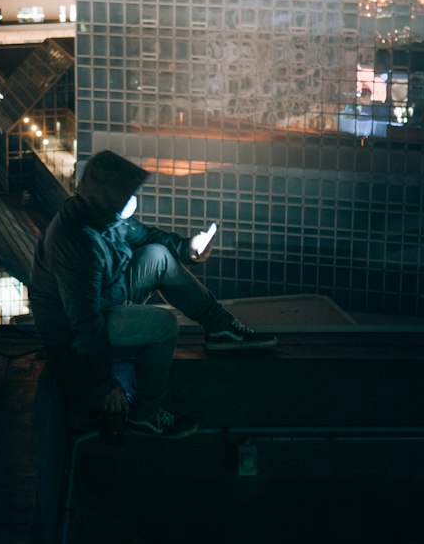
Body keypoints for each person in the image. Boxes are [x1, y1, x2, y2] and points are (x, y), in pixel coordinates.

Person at [30, 150, 276, 438]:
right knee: (162, 325)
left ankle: (221, 327)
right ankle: (145, 414)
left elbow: (146, 238)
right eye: (125, 194)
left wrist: (188, 248)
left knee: (157, 255)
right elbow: (83, 319)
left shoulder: (103, 214)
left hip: (105, 298)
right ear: (108, 196)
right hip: (75, 332)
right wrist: (103, 384)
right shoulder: (75, 241)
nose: (132, 199)